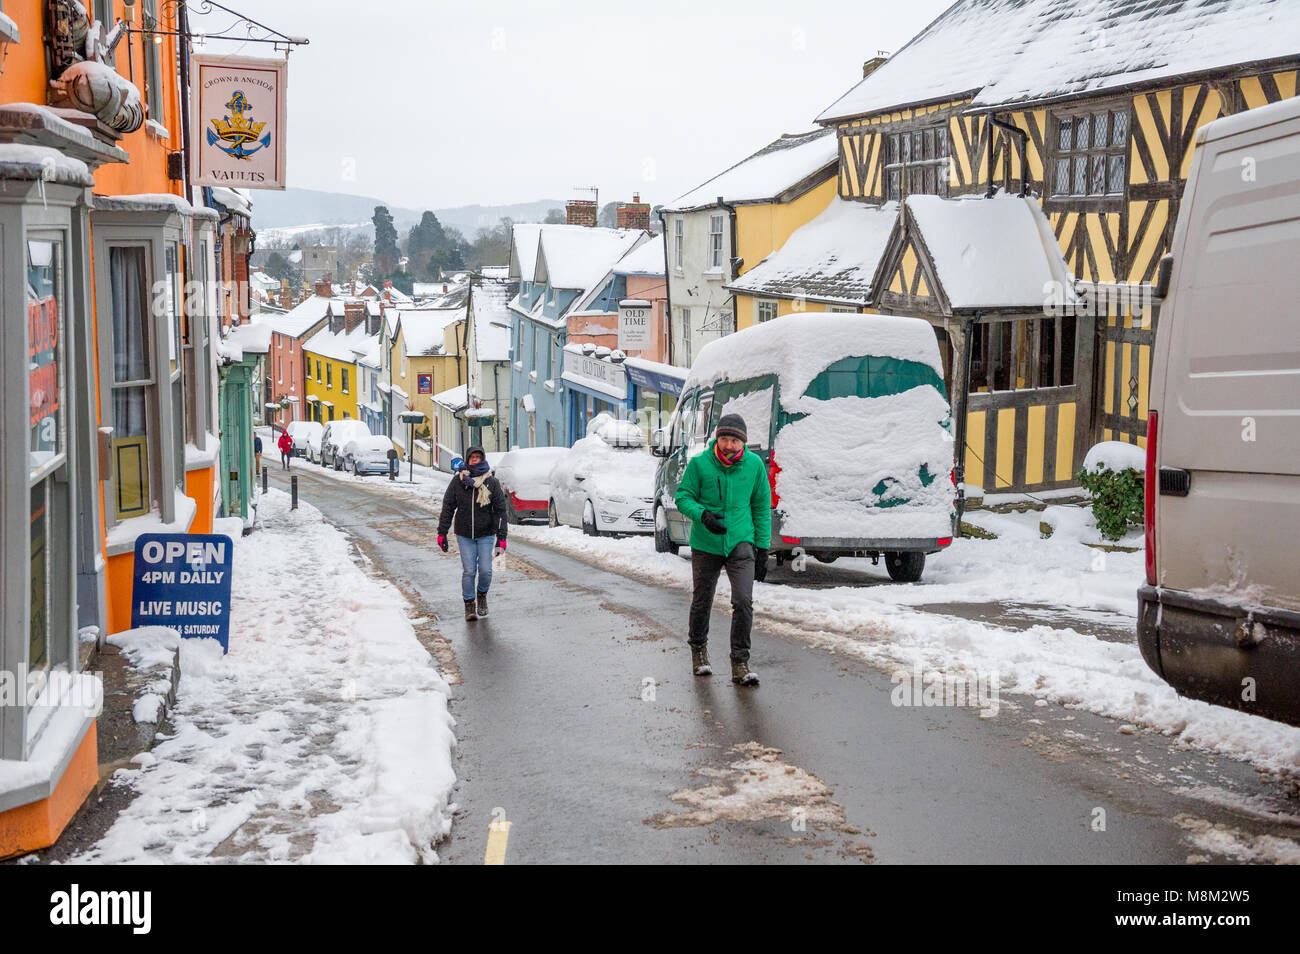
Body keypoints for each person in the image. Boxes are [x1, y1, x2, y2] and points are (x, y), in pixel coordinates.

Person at [674, 413, 771, 686]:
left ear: (743, 442)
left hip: (740, 541)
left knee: (743, 601)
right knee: (703, 599)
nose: (729, 445)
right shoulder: (700, 464)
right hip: (706, 543)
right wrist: (702, 514)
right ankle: (699, 651)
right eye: (725, 439)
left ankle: (740, 662)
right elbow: (683, 497)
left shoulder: (754, 466)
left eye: (735, 441)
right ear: (717, 438)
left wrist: (762, 548)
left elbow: (761, 507)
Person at [437, 446, 507, 621]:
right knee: (469, 571)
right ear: (467, 460)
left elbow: (500, 511)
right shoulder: (458, 481)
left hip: (486, 533)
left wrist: (502, 538)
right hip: (464, 533)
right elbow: (448, 507)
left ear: (483, 459)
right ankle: (469, 604)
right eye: (472, 457)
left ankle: (481, 595)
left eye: (478, 457)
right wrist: (442, 532)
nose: (475, 459)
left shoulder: (492, 482)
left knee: (485, 571)